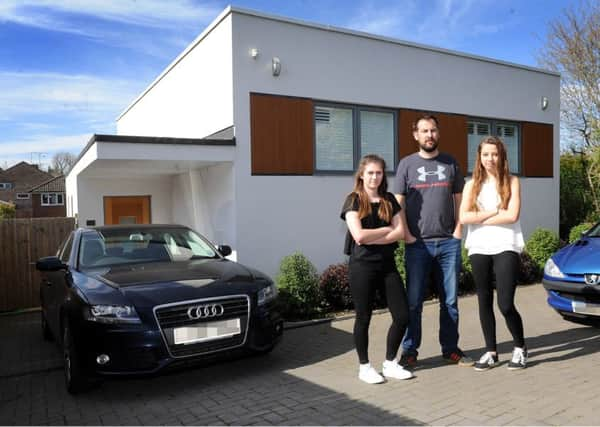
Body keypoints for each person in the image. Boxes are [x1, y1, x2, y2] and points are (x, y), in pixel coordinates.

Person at [395, 114, 473, 367]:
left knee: (449, 301)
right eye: (424, 131)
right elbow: (399, 204)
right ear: (415, 135)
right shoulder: (406, 165)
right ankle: (410, 351)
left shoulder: (451, 163)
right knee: (414, 302)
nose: (429, 135)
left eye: (433, 131)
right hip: (417, 245)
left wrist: (459, 229)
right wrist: (405, 234)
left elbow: (461, 200)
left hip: (448, 244)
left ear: (438, 133)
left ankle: (450, 349)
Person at [341, 154, 413, 384]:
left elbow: (400, 232)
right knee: (363, 318)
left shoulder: (389, 199)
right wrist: (386, 230)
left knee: (402, 315)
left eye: (379, 172)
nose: (374, 177)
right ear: (362, 175)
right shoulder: (353, 200)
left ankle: (390, 363)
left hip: (387, 266)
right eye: (370, 172)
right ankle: (364, 367)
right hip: (362, 267)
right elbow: (359, 236)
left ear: (383, 175)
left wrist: (380, 234)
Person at [459, 136, 527, 370]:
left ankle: (519, 347)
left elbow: (512, 216)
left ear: (502, 156)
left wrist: (480, 218)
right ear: (479, 157)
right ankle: (491, 352)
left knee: (505, 303)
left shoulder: (512, 181)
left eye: (495, 154)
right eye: (486, 154)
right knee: (484, 300)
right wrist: (493, 211)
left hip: (506, 244)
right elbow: (463, 217)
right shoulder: (471, 184)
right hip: (479, 247)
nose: (490, 159)